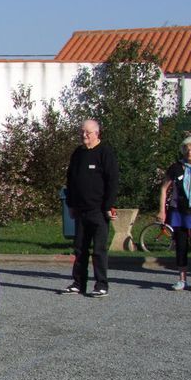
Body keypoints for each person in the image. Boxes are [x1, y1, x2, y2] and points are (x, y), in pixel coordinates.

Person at [61, 119, 118, 297]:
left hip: (99, 210)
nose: (84, 135)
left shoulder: (105, 152)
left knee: (99, 249)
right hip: (80, 210)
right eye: (82, 132)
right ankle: (78, 283)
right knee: (80, 249)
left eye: (88, 132)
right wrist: (70, 203)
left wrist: (108, 206)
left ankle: (101, 284)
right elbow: (70, 179)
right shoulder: (78, 153)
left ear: (97, 133)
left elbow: (112, 180)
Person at [158, 136, 191, 292]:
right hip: (179, 211)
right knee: (181, 245)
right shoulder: (175, 167)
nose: (190, 152)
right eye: (187, 149)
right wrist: (162, 210)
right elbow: (164, 189)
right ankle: (182, 279)